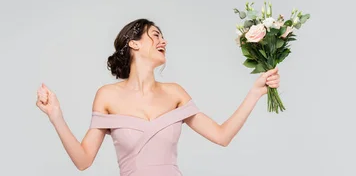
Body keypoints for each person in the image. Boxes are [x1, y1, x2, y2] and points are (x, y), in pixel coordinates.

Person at [35, 18, 281, 176]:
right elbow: (83, 161)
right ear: (134, 44)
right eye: (155, 35)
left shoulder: (174, 92)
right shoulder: (107, 96)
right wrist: (56, 116)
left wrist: (255, 92)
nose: (163, 41)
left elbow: (222, 136)